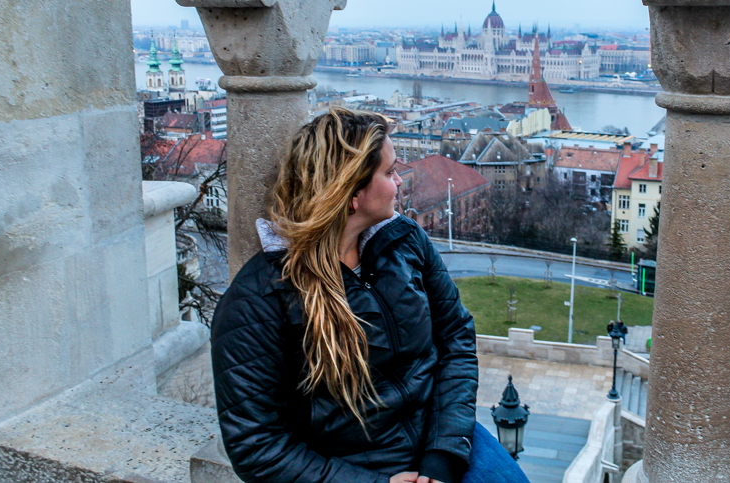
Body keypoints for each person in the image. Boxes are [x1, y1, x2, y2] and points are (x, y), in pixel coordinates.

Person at [211, 108, 529, 483]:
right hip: (350, 468)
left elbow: (456, 339)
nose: (399, 182)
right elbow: (256, 445)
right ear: (352, 194)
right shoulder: (257, 301)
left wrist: (443, 454)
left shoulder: (406, 241)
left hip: (442, 441)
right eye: (390, 172)